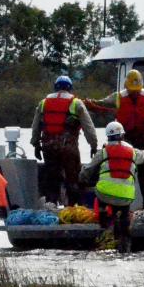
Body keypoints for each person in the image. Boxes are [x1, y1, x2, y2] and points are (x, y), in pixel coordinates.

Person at [84, 69, 144, 209]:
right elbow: (101, 104)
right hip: (124, 138)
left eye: (136, 89)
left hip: (143, 138)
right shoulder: (118, 96)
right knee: (122, 169)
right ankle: (118, 206)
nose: (134, 92)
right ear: (126, 86)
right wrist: (90, 103)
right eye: (132, 89)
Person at [82, 120, 144, 252]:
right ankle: (125, 236)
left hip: (105, 195)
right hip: (125, 197)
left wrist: (82, 179)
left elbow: (88, 169)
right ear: (123, 136)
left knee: (100, 194)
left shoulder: (103, 152)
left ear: (108, 137)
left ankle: (104, 221)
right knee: (124, 210)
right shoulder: (132, 152)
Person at [29, 74, 97, 206]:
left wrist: (36, 144)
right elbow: (89, 128)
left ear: (55, 88)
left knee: (52, 178)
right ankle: (72, 208)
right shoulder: (76, 103)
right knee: (73, 179)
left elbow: (35, 126)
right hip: (68, 148)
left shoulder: (43, 103)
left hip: (48, 147)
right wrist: (93, 145)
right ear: (70, 88)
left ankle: (51, 206)